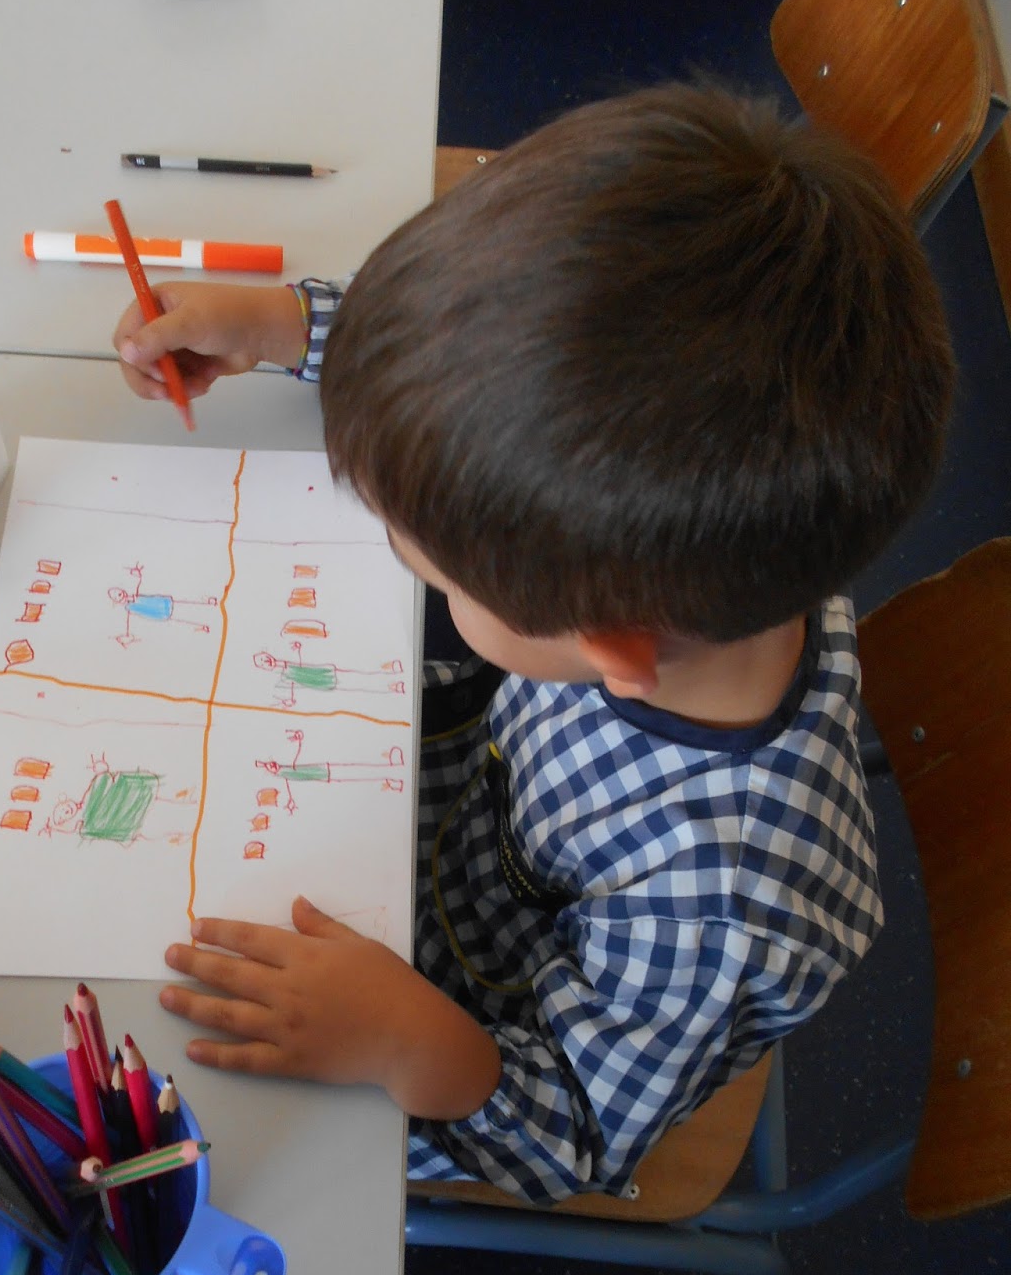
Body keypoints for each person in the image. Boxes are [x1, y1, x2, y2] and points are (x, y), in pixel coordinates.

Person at [112, 82, 955, 1203]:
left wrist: (405, 1038)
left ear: (609, 649)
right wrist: (287, 328)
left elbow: (572, 1136)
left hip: (449, 1036)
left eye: (433, 571)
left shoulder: (726, 908)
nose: (411, 563)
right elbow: (512, 389)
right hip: (424, 814)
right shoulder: (713, 548)